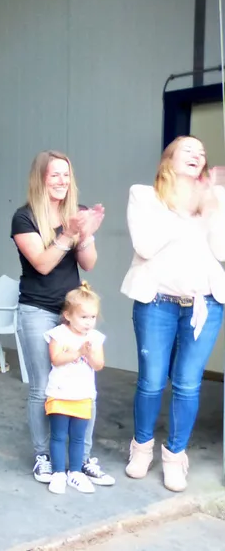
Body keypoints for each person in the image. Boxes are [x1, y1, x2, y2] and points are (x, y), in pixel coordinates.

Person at [122, 135, 225, 492]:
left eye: (202, 152)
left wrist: (211, 207)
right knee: (151, 381)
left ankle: (175, 456)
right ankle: (141, 447)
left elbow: (222, 250)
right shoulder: (145, 196)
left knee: (188, 383)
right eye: (188, 150)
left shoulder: (215, 197)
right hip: (157, 302)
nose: (198, 155)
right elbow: (145, 246)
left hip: (205, 304)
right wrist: (183, 207)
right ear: (169, 159)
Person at [11, 150, 113, 486]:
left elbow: (89, 263)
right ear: (40, 178)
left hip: (72, 314)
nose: (61, 181)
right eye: (54, 174)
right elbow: (42, 264)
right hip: (37, 310)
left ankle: (81, 459)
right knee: (44, 387)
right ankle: (44, 456)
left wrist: (87, 234)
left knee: (84, 385)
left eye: (66, 175)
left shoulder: (76, 213)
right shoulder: (24, 217)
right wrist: (68, 234)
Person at [42, 283, 106, 495]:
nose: (89, 322)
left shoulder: (95, 338)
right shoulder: (58, 334)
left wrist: (89, 353)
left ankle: (76, 472)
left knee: (78, 437)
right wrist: (78, 352)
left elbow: (99, 364)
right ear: (68, 315)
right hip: (59, 393)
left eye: (92, 317)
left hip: (83, 395)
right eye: (83, 317)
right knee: (58, 436)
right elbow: (56, 359)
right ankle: (58, 472)